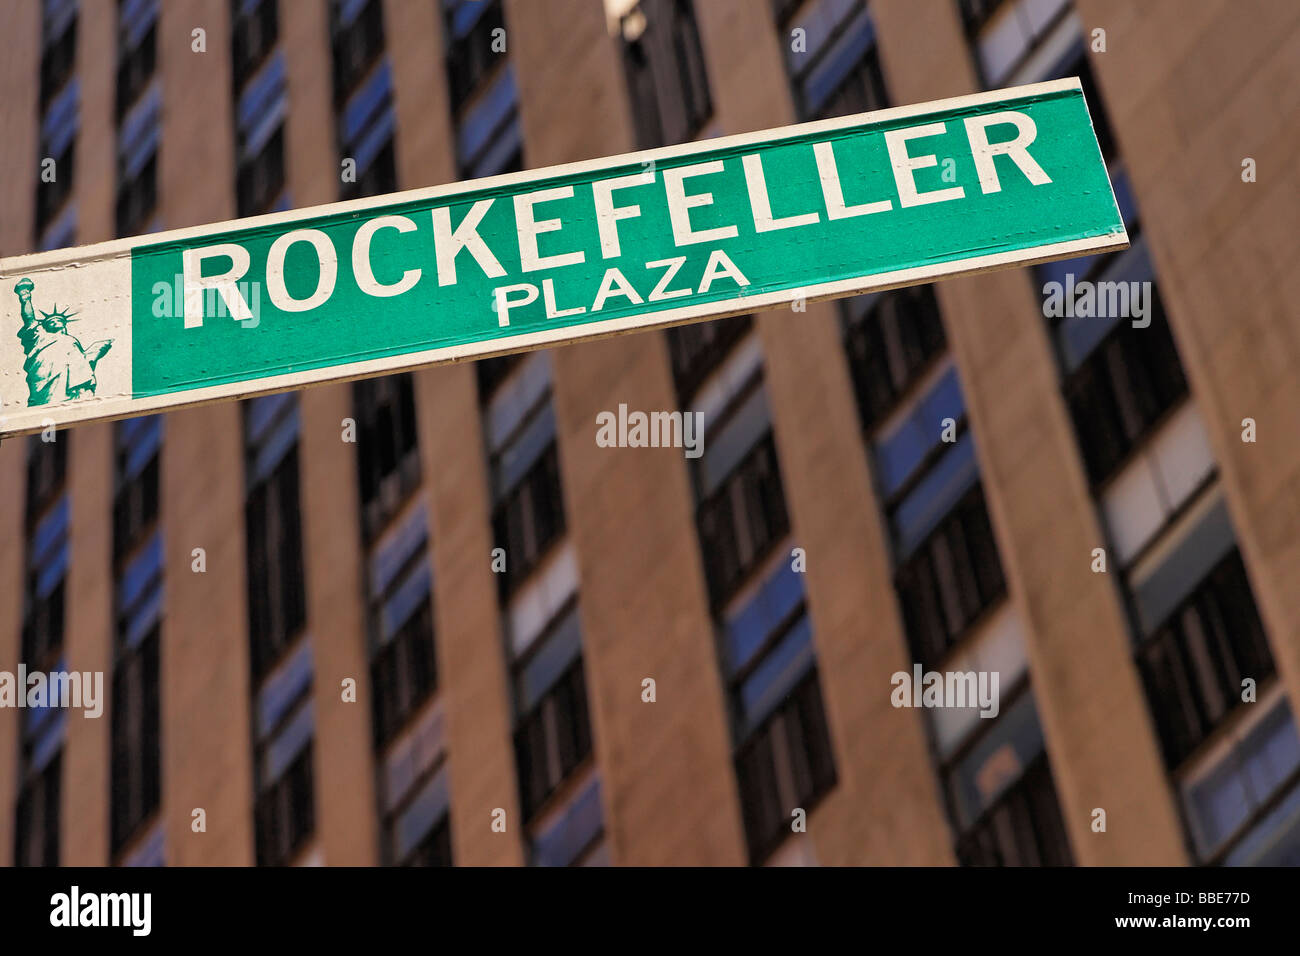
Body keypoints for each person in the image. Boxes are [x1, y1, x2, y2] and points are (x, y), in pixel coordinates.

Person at [13, 277, 112, 406]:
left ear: (64, 324)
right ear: (45, 326)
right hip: (44, 376)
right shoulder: (40, 335)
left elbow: (82, 363)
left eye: (59, 320)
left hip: (71, 382)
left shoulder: (71, 340)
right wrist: (25, 297)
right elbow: (29, 320)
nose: (55, 321)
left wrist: (95, 351)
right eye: (50, 321)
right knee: (44, 403)